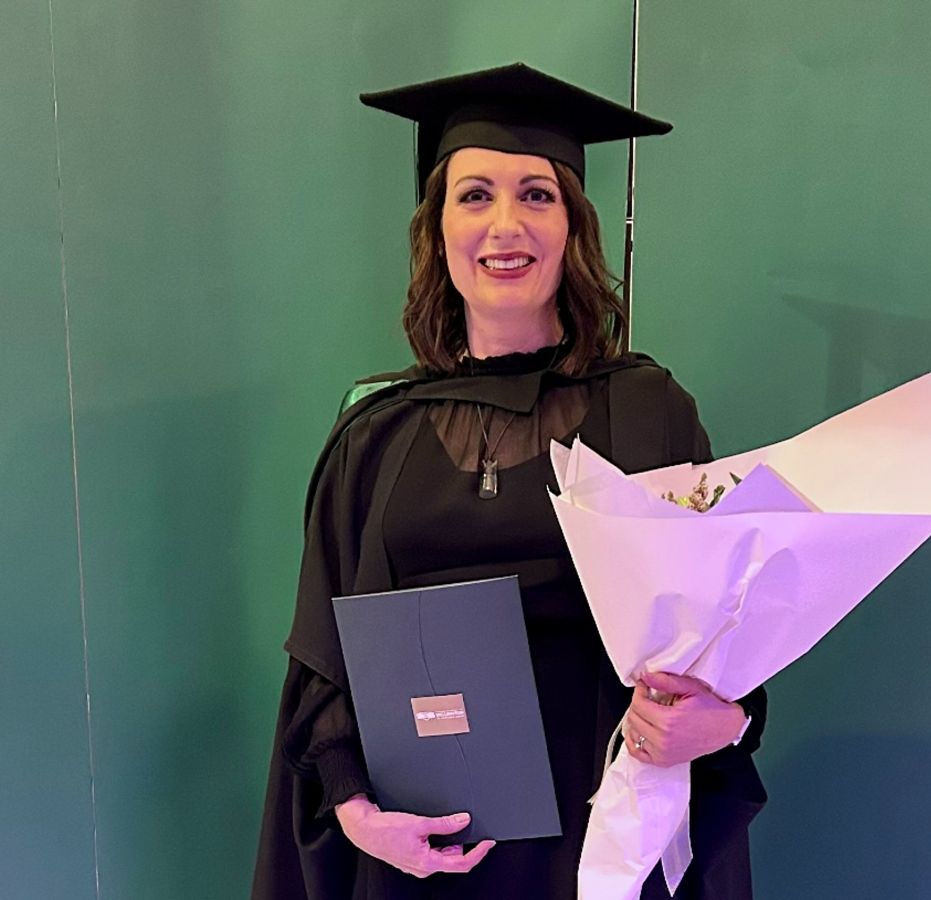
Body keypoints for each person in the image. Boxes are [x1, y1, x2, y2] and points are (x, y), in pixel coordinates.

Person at [252, 63, 768, 900]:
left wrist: (725, 721)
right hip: (422, 848)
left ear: (573, 226)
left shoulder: (647, 412)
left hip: (602, 837)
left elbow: (727, 646)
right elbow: (325, 656)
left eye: (536, 194)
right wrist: (353, 808)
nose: (505, 224)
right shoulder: (376, 432)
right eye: (474, 194)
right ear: (437, 227)